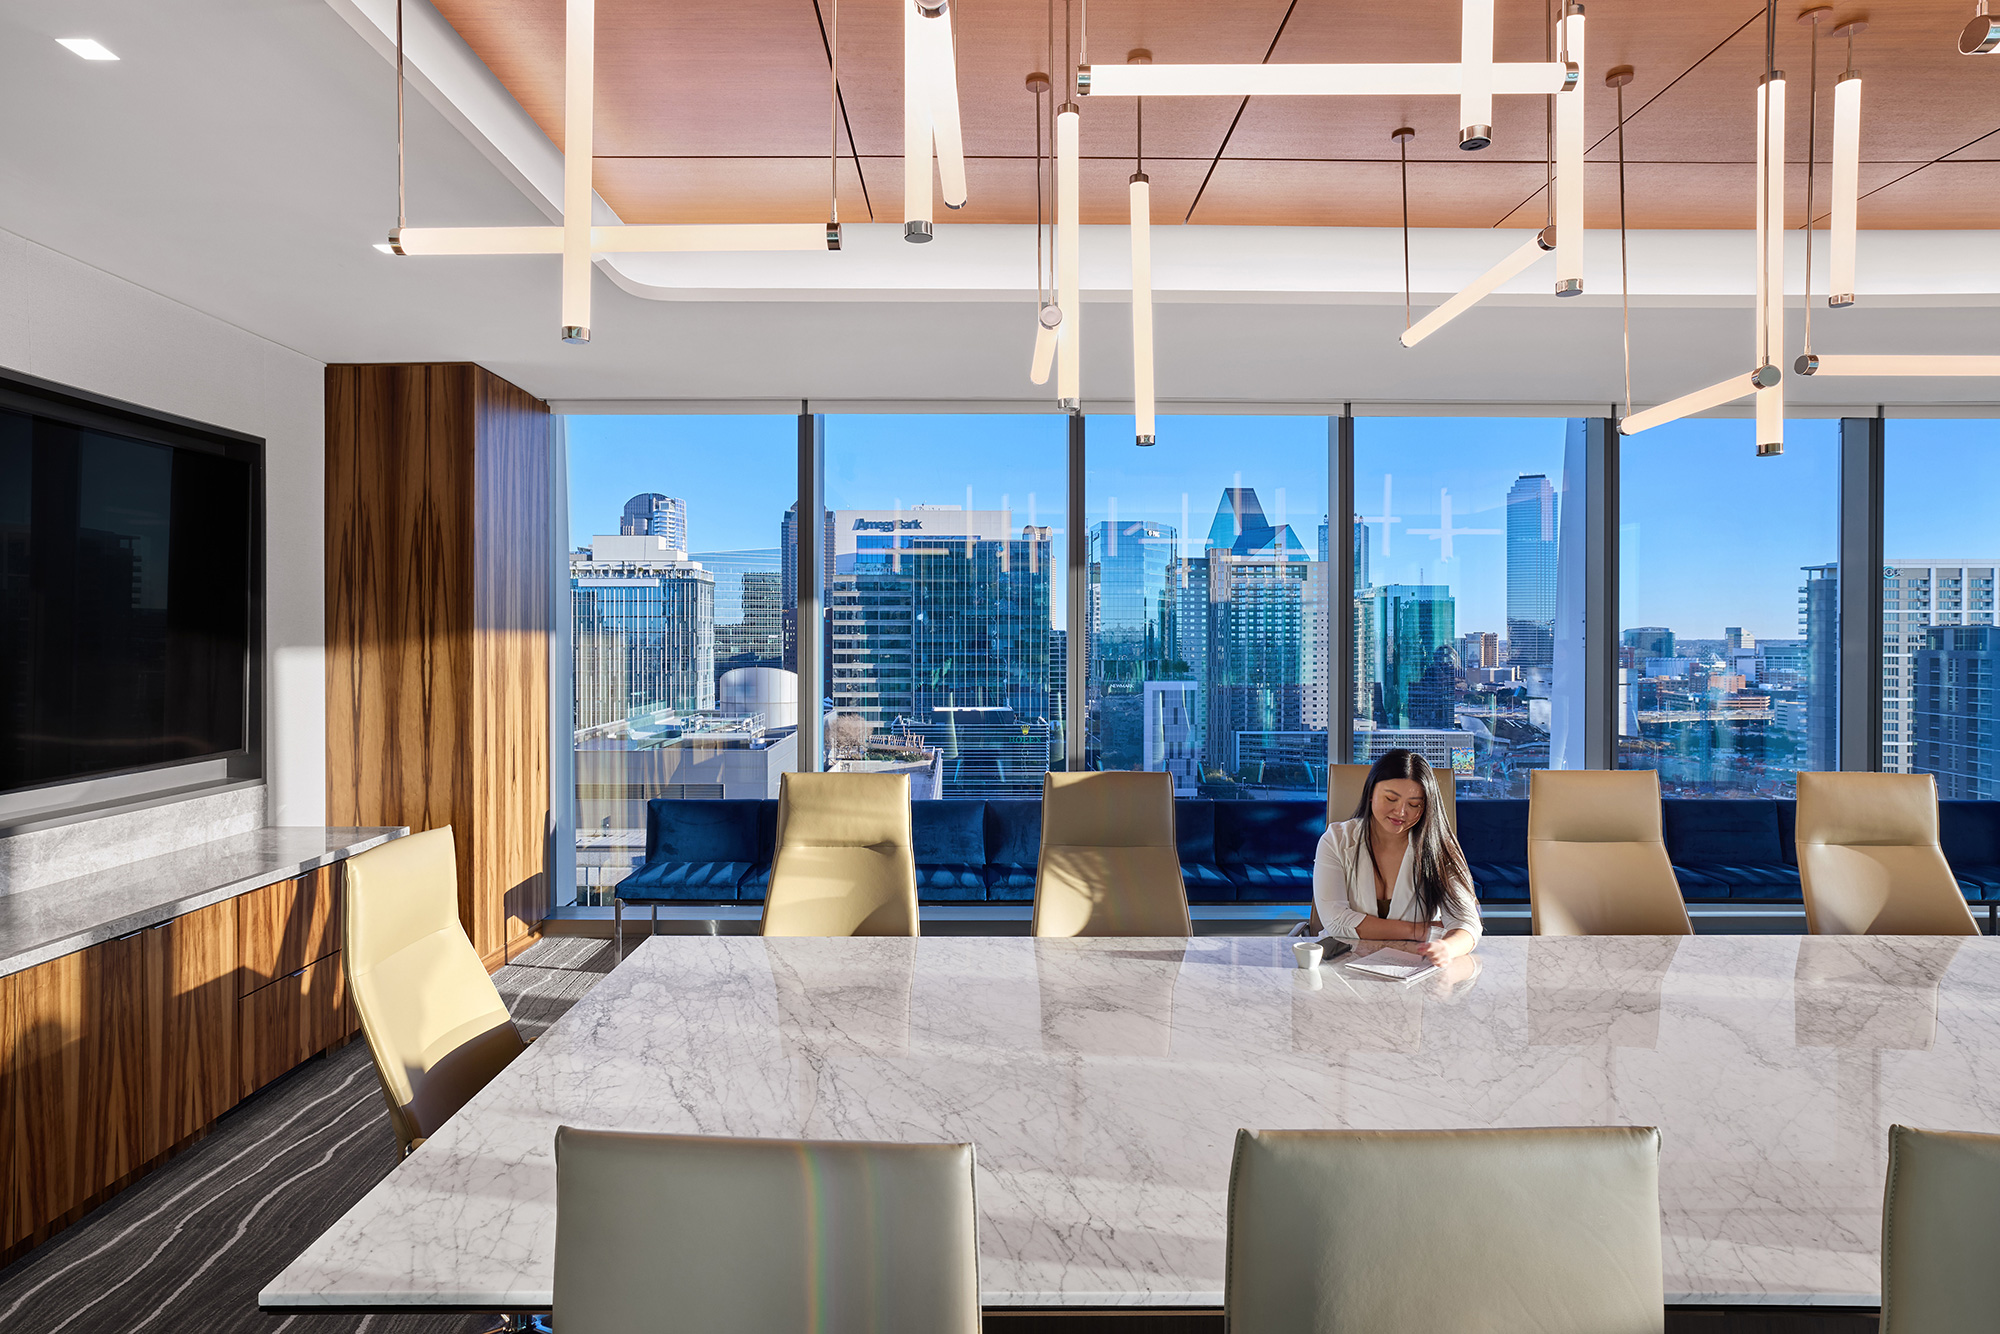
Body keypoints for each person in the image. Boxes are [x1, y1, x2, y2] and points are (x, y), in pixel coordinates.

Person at [1309, 749, 1480, 966]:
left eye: (1414, 804)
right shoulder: (1336, 840)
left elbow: (1467, 923)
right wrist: (1419, 930)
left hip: (1415, 966)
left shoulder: (1440, 846)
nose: (1401, 812)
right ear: (1371, 793)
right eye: (1391, 798)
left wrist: (1447, 947)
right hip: (1344, 965)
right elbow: (1335, 921)